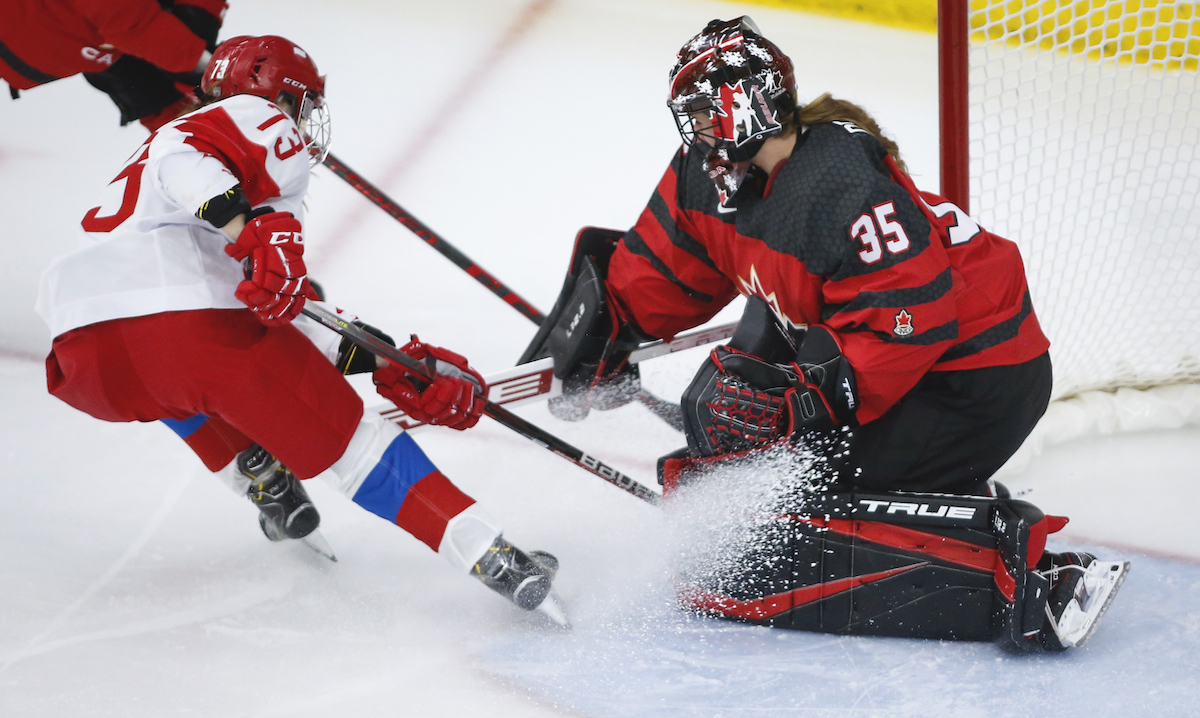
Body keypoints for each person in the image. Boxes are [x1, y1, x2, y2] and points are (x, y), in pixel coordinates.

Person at [523, 17, 1127, 650]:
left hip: (976, 381)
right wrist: (609, 327)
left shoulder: (841, 184)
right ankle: (936, 501)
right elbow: (670, 262)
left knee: (783, 512)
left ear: (747, 104)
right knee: (728, 469)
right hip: (895, 370)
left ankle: (1032, 585)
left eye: (704, 112)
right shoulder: (712, 173)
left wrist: (801, 406)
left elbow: (910, 320)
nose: (695, 129)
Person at [35, 34, 558, 612]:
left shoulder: (170, 165)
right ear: (279, 94)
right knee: (354, 443)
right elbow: (185, 168)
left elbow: (272, 311)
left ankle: (259, 477)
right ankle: (491, 554)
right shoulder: (254, 119)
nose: (303, 122)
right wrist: (247, 229)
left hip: (84, 357)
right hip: (187, 331)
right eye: (302, 103)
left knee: (178, 382)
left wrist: (388, 358)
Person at [2, 0, 227, 130]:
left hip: (90, 34)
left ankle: (204, 154)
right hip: (42, 35)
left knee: (159, 97)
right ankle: (199, 159)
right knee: (158, 95)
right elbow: (137, 26)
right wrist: (210, 69)